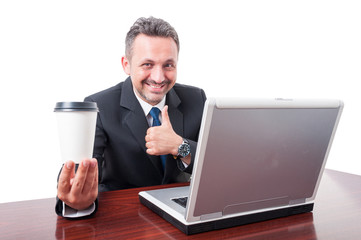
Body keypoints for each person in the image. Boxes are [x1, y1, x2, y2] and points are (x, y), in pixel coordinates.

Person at [56, 16, 206, 217]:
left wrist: (179, 146)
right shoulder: (100, 106)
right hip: (125, 215)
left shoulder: (196, 99)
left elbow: (216, 164)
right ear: (126, 64)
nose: (159, 77)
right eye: (147, 64)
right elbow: (79, 169)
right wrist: (76, 199)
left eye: (168, 65)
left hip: (180, 213)